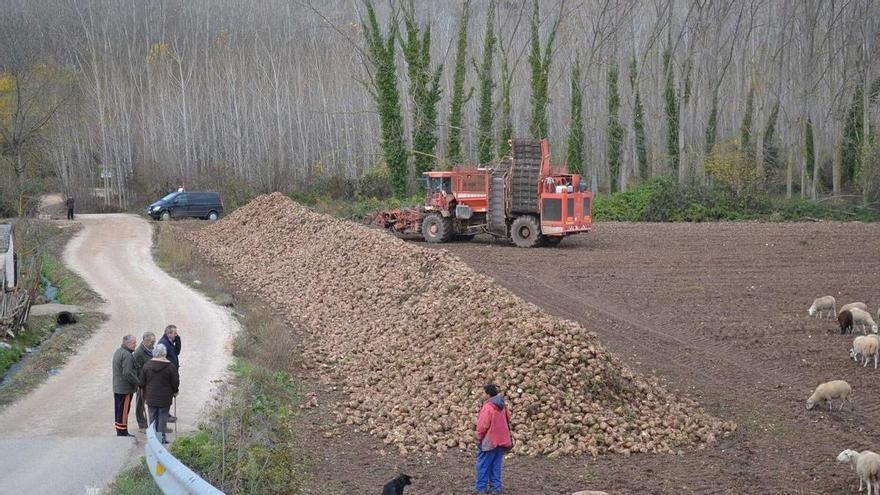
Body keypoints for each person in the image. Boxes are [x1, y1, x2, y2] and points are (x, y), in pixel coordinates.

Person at [474, 383, 512, 494]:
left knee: (483, 465)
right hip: (502, 440)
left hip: (490, 440)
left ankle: (481, 489)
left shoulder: (488, 407)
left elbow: (482, 426)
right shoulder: (502, 405)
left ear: (488, 394)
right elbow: (508, 417)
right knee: (496, 465)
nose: (482, 395)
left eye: (483, 392)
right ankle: (496, 488)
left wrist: (479, 437)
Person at [139, 343, 179, 444]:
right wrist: (175, 391)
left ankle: (153, 439)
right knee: (162, 418)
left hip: (151, 397)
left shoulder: (147, 365)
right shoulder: (170, 366)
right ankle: (161, 438)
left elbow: (142, 382)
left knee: (152, 417)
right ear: (164, 353)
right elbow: (175, 382)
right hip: (165, 398)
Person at [112, 334, 139, 437]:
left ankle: (120, 430)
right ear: (127, 343)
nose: (135, 345)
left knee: (119, 409)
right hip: (125, 389)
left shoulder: (118, 351)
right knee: (123, 411)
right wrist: (137, 382)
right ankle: (122, 432)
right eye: (133, 343)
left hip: (118, 387)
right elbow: (128, 373)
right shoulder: (127, 355)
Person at [132, 331, 156, 433]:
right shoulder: (138, 353)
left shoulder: (150, 350)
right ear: (145, 341)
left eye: (154, 341)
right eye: (152, 342)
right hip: (142, 382)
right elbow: (135, 369)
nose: (153, 344)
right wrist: (139, 381)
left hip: (150, 381)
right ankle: (141, 423)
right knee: (140, 403)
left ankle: (152, 423)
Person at [158, 324, 181, 422]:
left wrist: (178, 339)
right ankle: (165, 415)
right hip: (166, 374)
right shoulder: (163, 343)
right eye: (174, 333)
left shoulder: (169, 342)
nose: (176, 335)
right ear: (168, 333)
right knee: (166, 395)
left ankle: (166, 414)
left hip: (171, 372)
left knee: (169, 395)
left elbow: (177, 352)